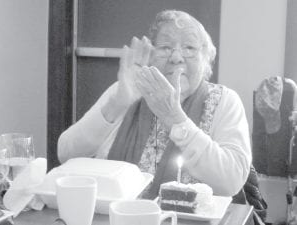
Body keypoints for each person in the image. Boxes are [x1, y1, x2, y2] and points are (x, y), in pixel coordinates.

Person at [57, 10, 252, 199]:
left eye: (189, 48)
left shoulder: (225, 101)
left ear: (206, 58)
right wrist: (118, 102)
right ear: (150, 55)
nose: (176, 57)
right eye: (166, 47)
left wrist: (176, 120)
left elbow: (232, 181)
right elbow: (65, 154)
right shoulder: (127, 89)